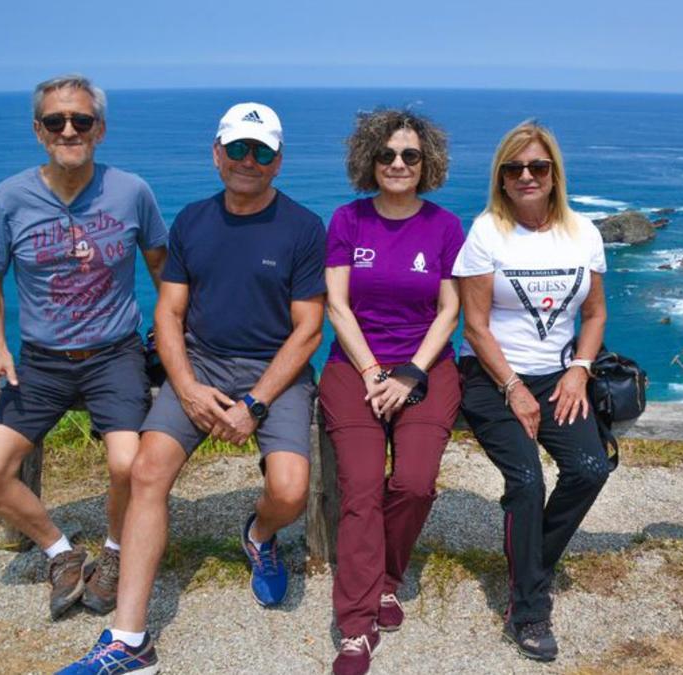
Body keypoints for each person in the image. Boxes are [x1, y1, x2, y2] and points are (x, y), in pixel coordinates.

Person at [60, 102, 326, 673]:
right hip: (200, 364)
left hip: (273, 370)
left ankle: (258, 534)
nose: (247, 161)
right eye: (237, 148)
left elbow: (308, 330)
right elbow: (168, 314)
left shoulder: (304, 227)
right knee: (145, 472)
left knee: (289, 491)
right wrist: (185, 388)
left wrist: (254, 404)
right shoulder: (192, 221)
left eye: (261, 151)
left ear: (279, 161)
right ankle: (129, 640)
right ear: (216, 153)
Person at [0, 74, 167, 621]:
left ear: (100, 129)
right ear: (39, 131)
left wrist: (174, 336)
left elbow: (162, 267)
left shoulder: (132, 191)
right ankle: (60, 550)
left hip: (114, 355)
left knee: (128, 465)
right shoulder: (10, 197)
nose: (69, 130)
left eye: (81, 120)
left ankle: (115, 553)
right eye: (56, 121)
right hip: (40, 361)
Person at [452, 121, 611, 662]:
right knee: (525, 480)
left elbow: (595, 312)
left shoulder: (584, 233)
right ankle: (528, 607)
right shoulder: (486, 234)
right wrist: (514, 387)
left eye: (537, 167)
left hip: (560, 377)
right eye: (514, 168)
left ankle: (530, 563)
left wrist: (581, 368)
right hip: (492, 378)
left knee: (591, 468)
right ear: (500, 177)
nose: (526, 176)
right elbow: (474, 326)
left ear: (553, 174)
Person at [319, 109, 464, 675]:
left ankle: (384, 579)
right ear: (369, 161)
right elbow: (338, 305)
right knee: (358, 487)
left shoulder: (446, 226)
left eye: (410, 155)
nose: (398, 164)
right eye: (387, 155)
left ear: (426, 162)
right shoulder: (348, 220)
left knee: (414, 482)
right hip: (353, 366)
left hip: (426, 367)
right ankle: (356, 628)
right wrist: (374, 372)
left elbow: (449, 310)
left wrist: (409, 374)